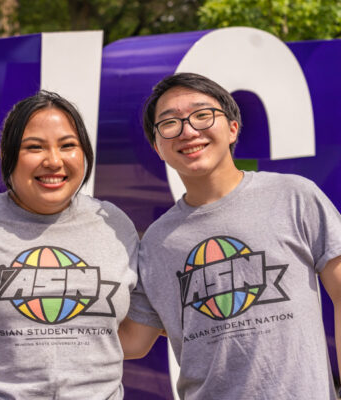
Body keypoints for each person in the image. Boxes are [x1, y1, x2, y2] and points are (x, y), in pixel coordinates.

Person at [119, 72, 341, 399]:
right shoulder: (155, 242)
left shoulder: (294, 196)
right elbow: (134, 341)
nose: (188, 131)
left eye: (202, 115)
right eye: (170, 123)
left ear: (232, 127)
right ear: (158, 147)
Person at [0, 90, 147, 399]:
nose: (53, 161)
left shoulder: (114, 225)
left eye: (68, 146)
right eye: (34, 147)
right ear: (7, 155)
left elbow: (135, 339)